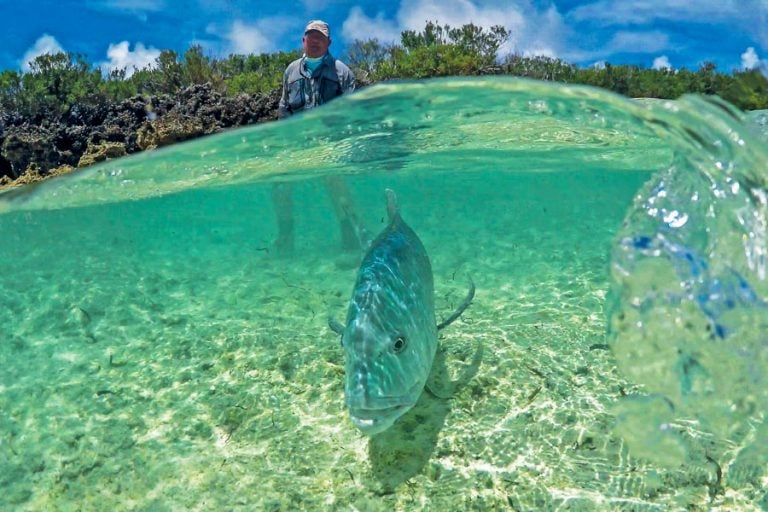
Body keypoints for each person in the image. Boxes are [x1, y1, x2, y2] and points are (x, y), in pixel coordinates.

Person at [273, 20, 367, 255]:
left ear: (329, 43)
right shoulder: (291, 71)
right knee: (279, 186)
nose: (315, 41)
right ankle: (286, 238)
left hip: (330, 143)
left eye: (320, 38)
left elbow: (349, 111)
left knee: (335, 183)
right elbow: (285, 108)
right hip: (297, 144)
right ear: (303, 40)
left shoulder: (342, 71)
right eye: (310, 36)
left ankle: (351, 235)